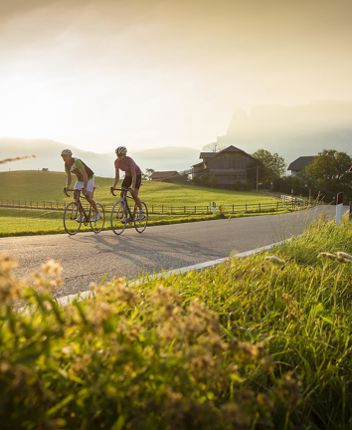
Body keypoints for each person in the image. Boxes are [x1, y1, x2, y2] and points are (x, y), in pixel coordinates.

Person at [61, 149, 100, 222]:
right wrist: (67, 186)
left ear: (70, 156)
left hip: (89, 178)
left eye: (65, 156)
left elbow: (85, 175)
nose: (64, 158)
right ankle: (81, 214)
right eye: (62, 156)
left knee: (87, 196)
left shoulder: (77, 162)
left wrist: (85, 187)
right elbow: (69, 176)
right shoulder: (66, 165)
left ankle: (97, 213)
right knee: (76, 197)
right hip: (80, 179)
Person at [111, 146, 145, 222]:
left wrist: (132, 187)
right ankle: (126, 215)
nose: (119, 156)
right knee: (122, 195)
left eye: (120, 155)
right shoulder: (116, 162)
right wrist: (113, 186)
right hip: (127, 176)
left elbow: (134, 175)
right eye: (117, 155)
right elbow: (117, 176)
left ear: (125, 154)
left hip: (137, 175)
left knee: (134, 194)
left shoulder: (129, 160)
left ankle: (141, 211)